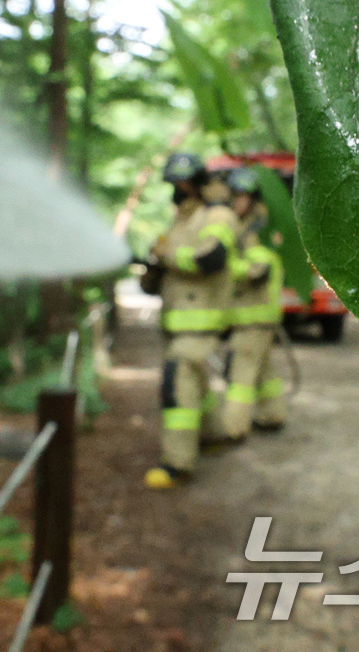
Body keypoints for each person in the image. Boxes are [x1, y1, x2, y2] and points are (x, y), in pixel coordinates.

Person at [141, 152, 238, 489]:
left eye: (181, 182)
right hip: (176, 322)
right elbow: (170, 268)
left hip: (203, 322)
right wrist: (152, 268)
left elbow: (212, 259)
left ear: (197, 183)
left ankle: (177, 463)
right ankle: (213, 436)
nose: (176, 189)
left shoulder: (218, 216)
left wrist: (167, 255)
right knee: (195, 380)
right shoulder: (178, 222)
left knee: (177, 379)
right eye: (172, 183)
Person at [222, 167, 287, 438]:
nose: (234, 202)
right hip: (260, 318)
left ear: (253, 199)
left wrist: (222, 265)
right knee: (264, 370)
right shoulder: (256, 227)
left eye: (240, 196)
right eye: (233, 196)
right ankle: (273, 414)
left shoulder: (256, 231)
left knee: (241, 376)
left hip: (251, 318)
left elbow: (257, 271)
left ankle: (232, 428)